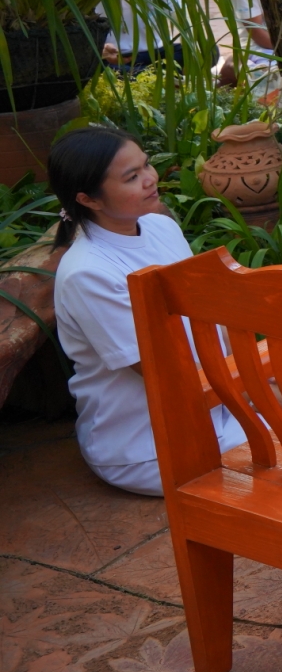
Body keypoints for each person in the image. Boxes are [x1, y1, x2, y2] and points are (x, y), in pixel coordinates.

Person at [50, 127, 248, 494]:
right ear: (88, 199)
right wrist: (254, 393)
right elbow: (161, 374)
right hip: (148, 443)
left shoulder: (159, 226)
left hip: (213, 391)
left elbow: (205, 315)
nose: (150, 179)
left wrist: (257, 378)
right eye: (132, 177)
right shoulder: (88, 273)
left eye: (146, 165)